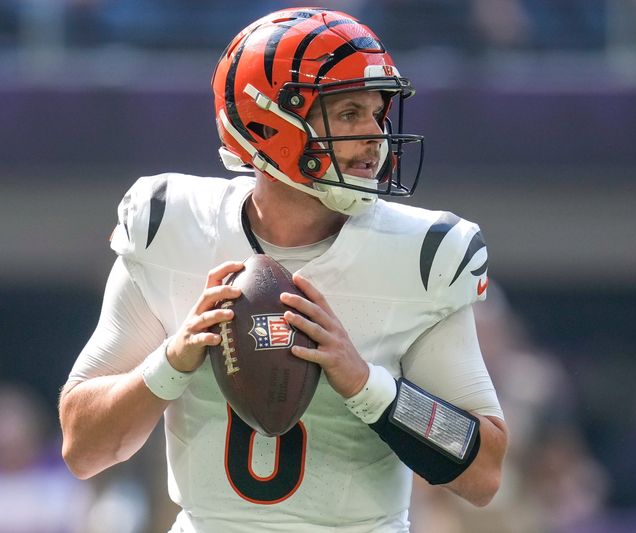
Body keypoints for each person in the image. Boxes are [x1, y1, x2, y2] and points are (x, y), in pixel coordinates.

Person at [58, 7, 508, 533]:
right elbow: (83, 448)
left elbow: (483, 475)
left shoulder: (424, 255)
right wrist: (171, 363)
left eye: (377, 115)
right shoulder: (169, 225)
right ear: (268, 123)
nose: (375, 137)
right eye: (348, 114)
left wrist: (368, 387)